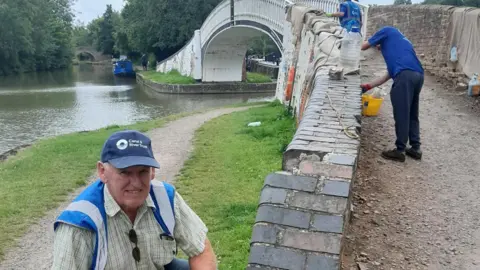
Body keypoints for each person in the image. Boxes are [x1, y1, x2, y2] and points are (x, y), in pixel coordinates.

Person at [52, 130, 217, 270]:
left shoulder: (166, 197)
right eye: (125, 172)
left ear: (152, 172)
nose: (136, 183)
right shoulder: (79, 223)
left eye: (143, 171)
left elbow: (201, 250)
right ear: (102, 172)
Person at [360, 26, 424, 162]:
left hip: (405, 77)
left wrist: (346, 45)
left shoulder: (386, 30)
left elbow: (363, 46)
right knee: (412, 112)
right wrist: (368, 86)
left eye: (378, 45)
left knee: (401, 113)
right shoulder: (401, 45)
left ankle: (400, 150)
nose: (378, 49)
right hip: (418, 75)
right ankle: (415, 148)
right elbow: (388, 75)